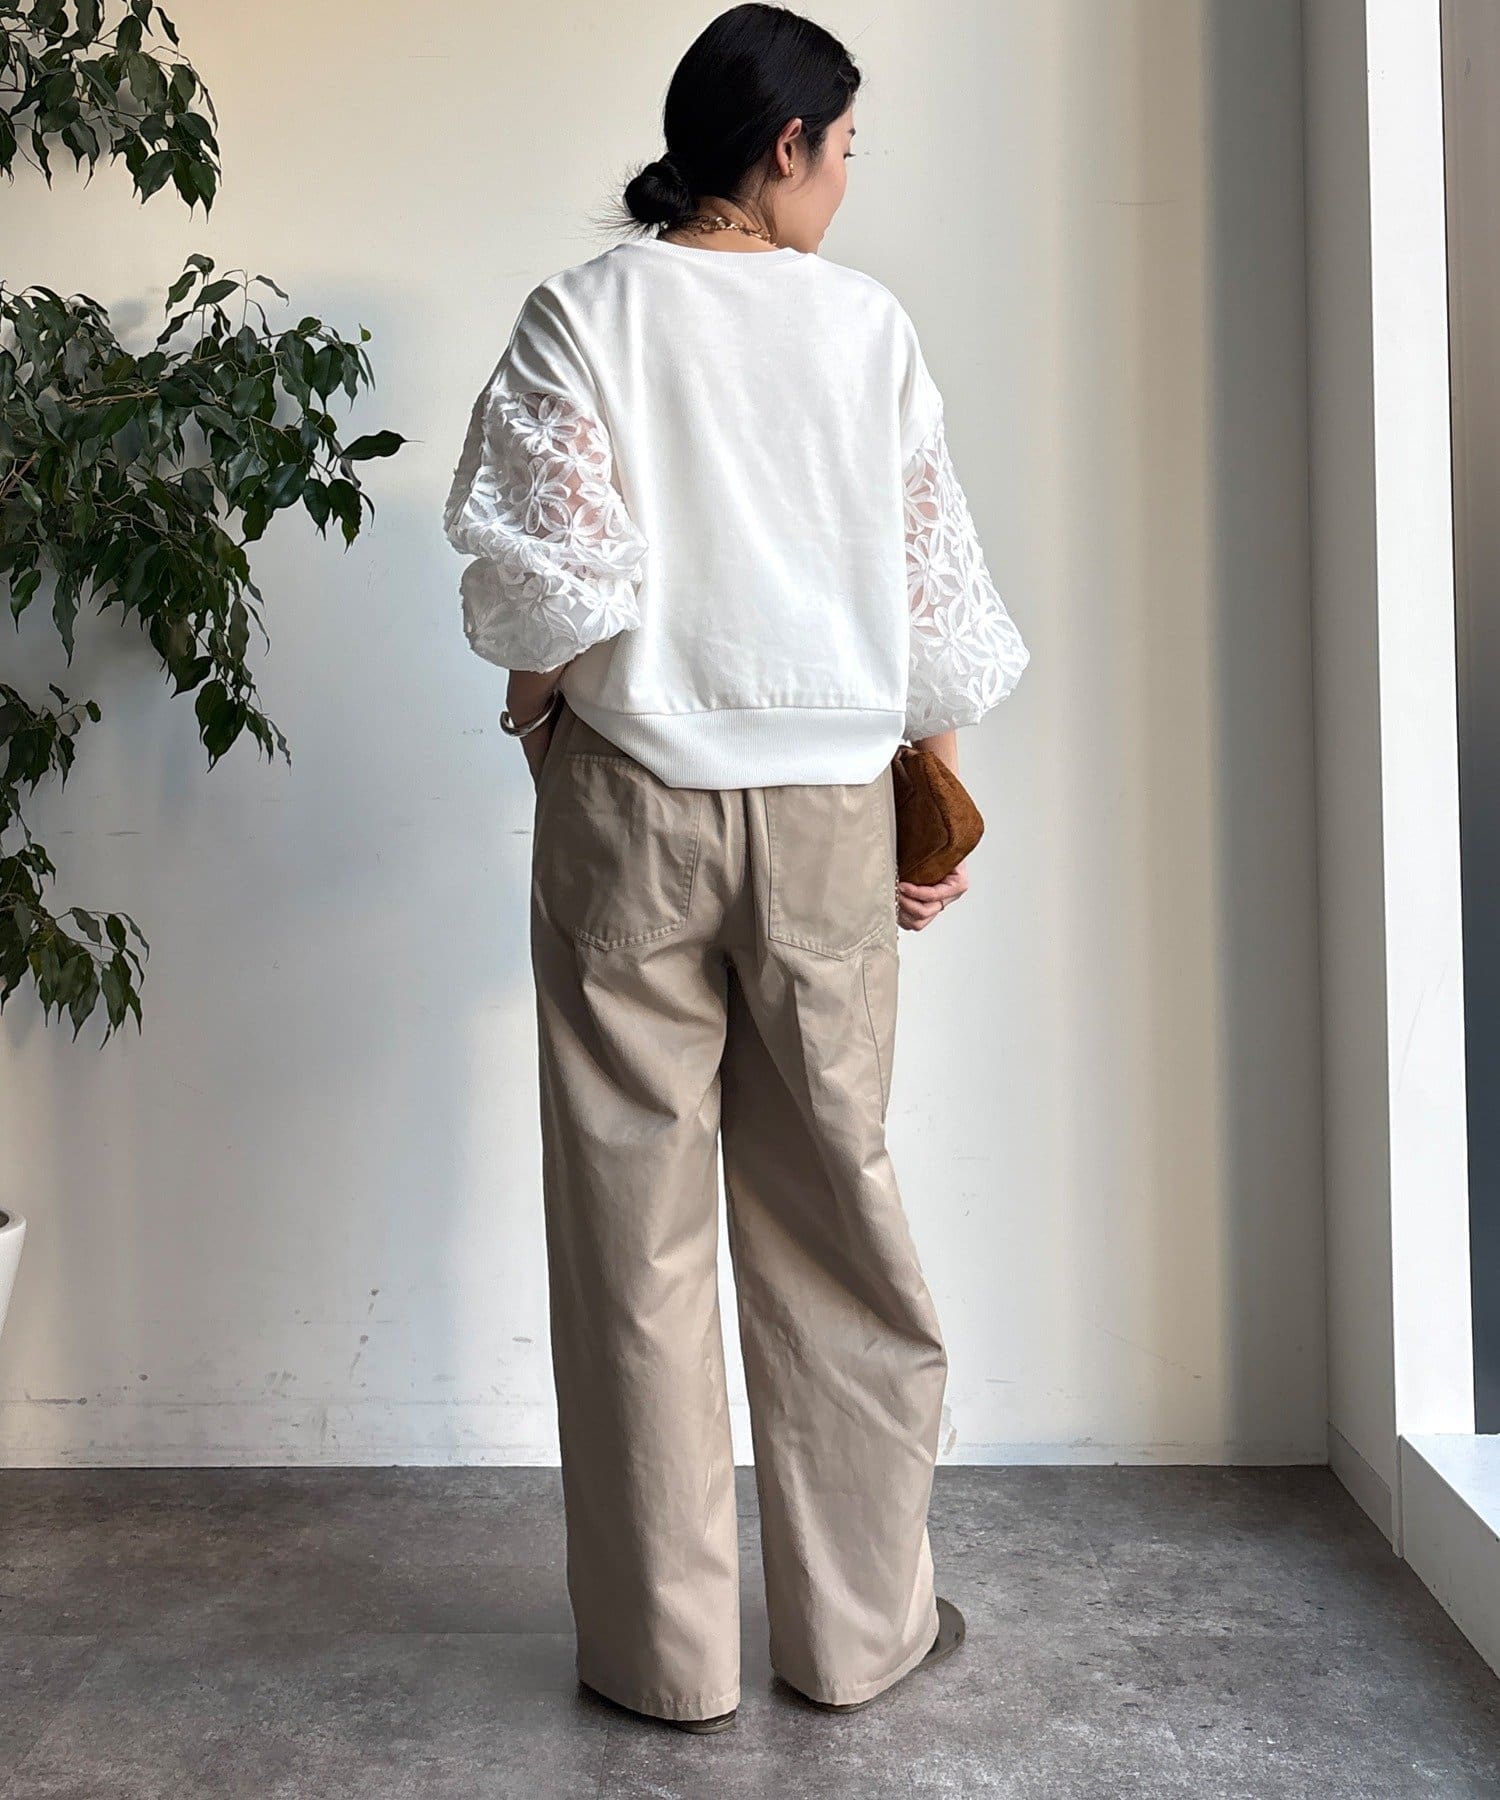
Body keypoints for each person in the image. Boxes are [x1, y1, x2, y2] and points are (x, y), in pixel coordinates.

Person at [442, 1, 1029, 1736]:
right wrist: (932, 803)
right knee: (837, 1218)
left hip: (632, 798)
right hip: (830, 813)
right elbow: (931, 606)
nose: (847, 181)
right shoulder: (866, 329)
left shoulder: (584, 313)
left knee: (632, 1238)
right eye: (844, 150)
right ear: (784, 146)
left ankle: (666, 1661)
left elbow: (543, 591)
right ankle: (859, 1634)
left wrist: (538, 726)